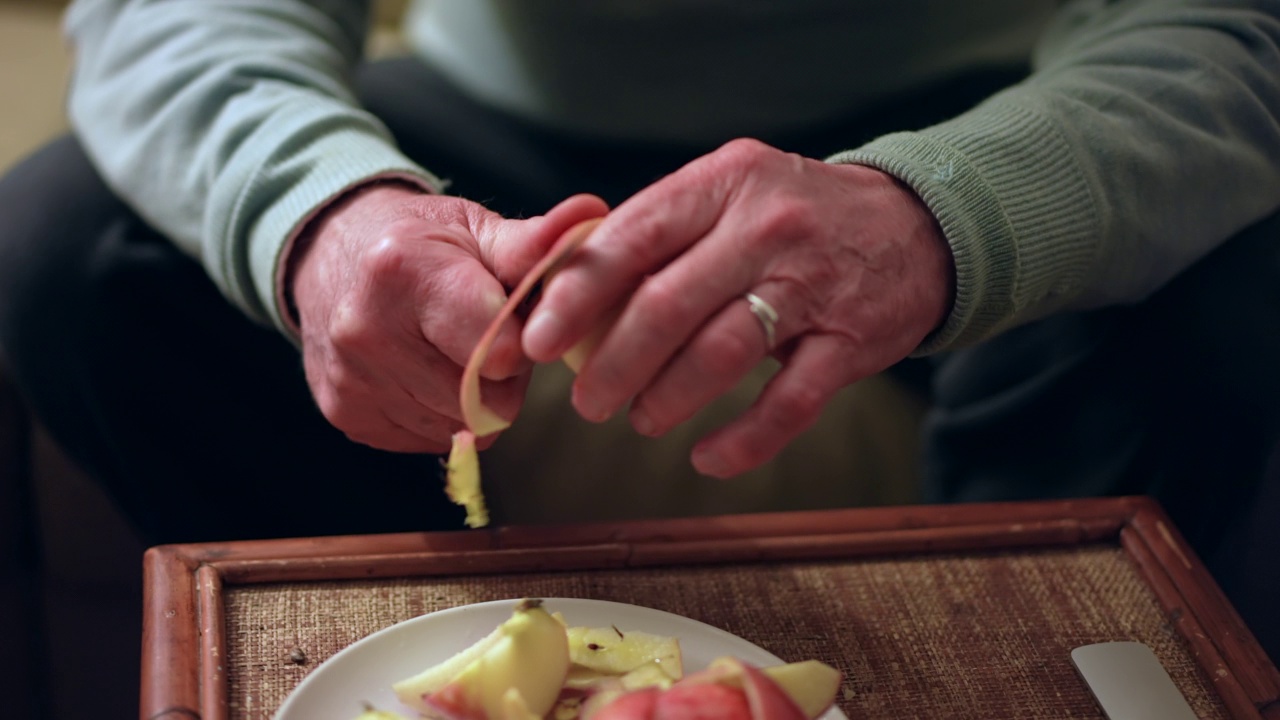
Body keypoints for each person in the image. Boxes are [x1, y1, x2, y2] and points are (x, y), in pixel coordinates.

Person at [0, 1, 1277, 595]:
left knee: (1233, 266)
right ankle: (399, 642)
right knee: (68, 241)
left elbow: (1228, 30)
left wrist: (944, 214)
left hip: (995, 115)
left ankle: (1027, 656)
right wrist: (318, 216)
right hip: (497, 128)